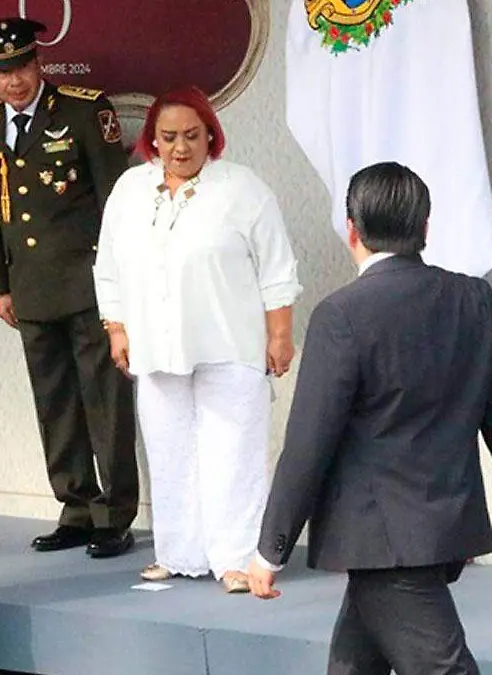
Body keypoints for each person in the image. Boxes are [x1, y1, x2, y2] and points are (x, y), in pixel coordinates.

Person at [249, 162, 492, 674]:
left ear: (352, 230)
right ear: (425, 228)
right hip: (442, 524)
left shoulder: (341, 314)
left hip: (383, 542)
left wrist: (271, 550)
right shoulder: (475, 299)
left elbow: (308, 443)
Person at [93, 86, 302, 593]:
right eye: (168, 137)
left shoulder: (243, 188)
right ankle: (179, 552)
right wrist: (117, 328)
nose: (180, 147)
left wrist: (280, 335)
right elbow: (109, 265)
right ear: (152, 139)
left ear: (211, 135)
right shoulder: (130, 189)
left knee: (233, 455)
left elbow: (277, 270)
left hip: (231, 344)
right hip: (156, 346)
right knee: (169, 453)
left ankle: (237, 558)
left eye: (191, 135)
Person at [0, 17, 137, 557]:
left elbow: (114, 203)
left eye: (21, 66)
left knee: (104, 402)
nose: (13, 81)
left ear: (39, 63)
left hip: (87, 285)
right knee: (54, 403)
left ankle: (114, 515)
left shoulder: (83, 111)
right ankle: (76, 507)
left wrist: (118, 284)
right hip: (30, 289)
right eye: (1, 71)